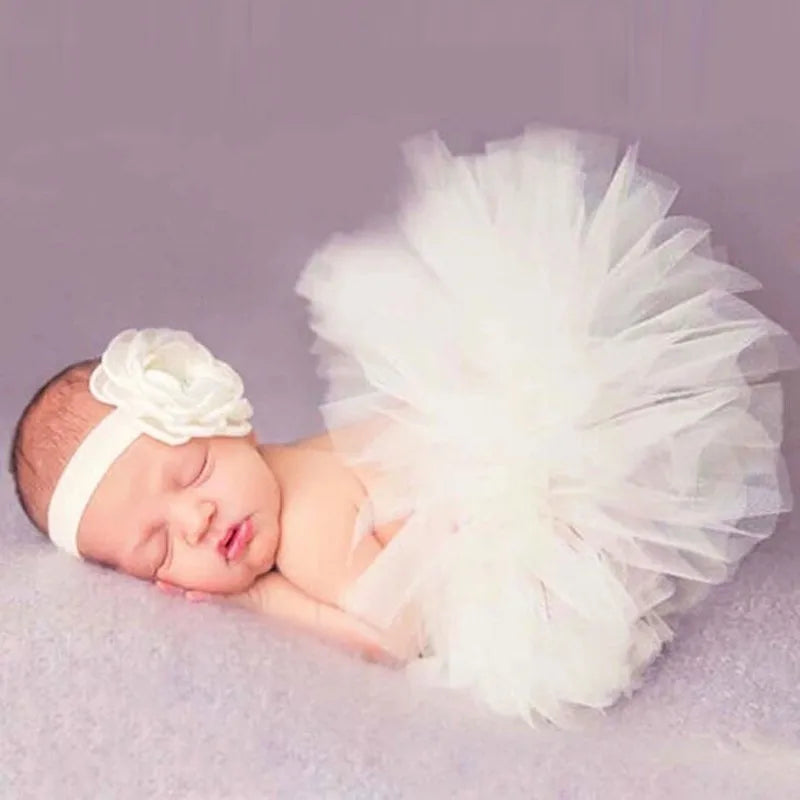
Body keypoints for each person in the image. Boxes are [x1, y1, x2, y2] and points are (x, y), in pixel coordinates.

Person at [10, 127, 796, 725]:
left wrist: (264, 605)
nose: (197, 519)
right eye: (159, 546)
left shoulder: (309, 534)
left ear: (228, 421)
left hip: (516, 513)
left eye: (191, 474)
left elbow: (388, 638)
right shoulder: (295, 464)